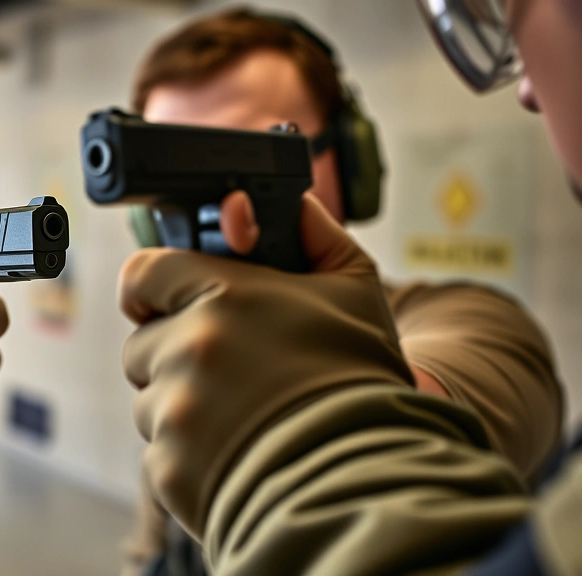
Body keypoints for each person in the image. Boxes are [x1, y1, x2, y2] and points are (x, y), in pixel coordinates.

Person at [117, 0, 581, 573]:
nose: (222, 201)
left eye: (255, 154)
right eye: (179, 172)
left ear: (350, 162)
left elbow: (403, 412)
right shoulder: (198, 370)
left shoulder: (469, 320)